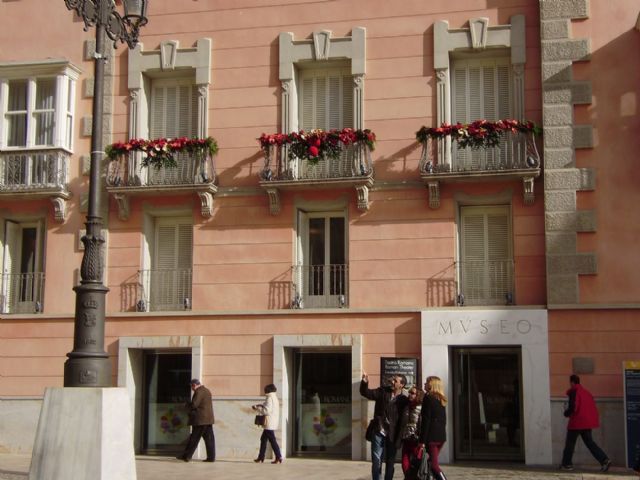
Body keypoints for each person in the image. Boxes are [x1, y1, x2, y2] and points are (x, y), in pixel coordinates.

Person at [360, 372, 409, 480]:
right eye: (393, 380)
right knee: (377, 460)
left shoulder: (403, 400)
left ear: (401, 385)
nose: (392, 381)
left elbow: (403, 422)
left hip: (393, 434)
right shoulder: (382, 391)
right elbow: (366, 392)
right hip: (379, 430)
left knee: (390, 463)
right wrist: (365, 382)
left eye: (395, 381)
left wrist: (399, 439)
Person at [560, 374, 611, 471]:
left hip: (577, 422)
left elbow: (573, 407)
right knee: (590, 443)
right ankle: (604, 460)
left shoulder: (574, 391)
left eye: (570, 383)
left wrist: (566, 413)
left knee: (570, 444)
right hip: (587, 423)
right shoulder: (587, 392)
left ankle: (567, 464)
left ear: (572, 382)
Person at [176, 378, 215, 462]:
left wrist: (186, 405)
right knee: (209, 439)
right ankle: (211, 457)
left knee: (194, 439)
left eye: (191, 387)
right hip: (208, 419)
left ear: (194, 385)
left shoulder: (199, 392)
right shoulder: (207, 390)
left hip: (200, 420)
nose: (192, 389)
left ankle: (186, 456)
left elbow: (194, 404)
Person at [419, 376, 447, 480]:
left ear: (432, 385)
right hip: (441, 437)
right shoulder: (441, 399)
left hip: (432, 438)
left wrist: (422, 440)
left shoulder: (428, 398)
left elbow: (426, 421)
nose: (424, 384)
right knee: (430, 463)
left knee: (434, 465)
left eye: (426, 382)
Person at [252, 383, 283, 464]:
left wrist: (258, 408)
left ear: (268, 390)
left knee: (272, 440)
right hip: (270, 422)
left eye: (265, 389)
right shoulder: (274, 397)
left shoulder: (270, 398)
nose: (264, 391)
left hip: (269, 423)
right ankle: (261, 457)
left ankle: (278, 456)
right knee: (263, 439)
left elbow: (267, 411)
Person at [397, 386, 424, 476]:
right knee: (405, 462)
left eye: (413, 393)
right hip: (406, 437)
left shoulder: (421, 407)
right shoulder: (407, 406)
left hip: (416, 438)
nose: (410, 395)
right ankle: (408, 477)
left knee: (416, 463)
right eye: (410, 393)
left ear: (418, 395)